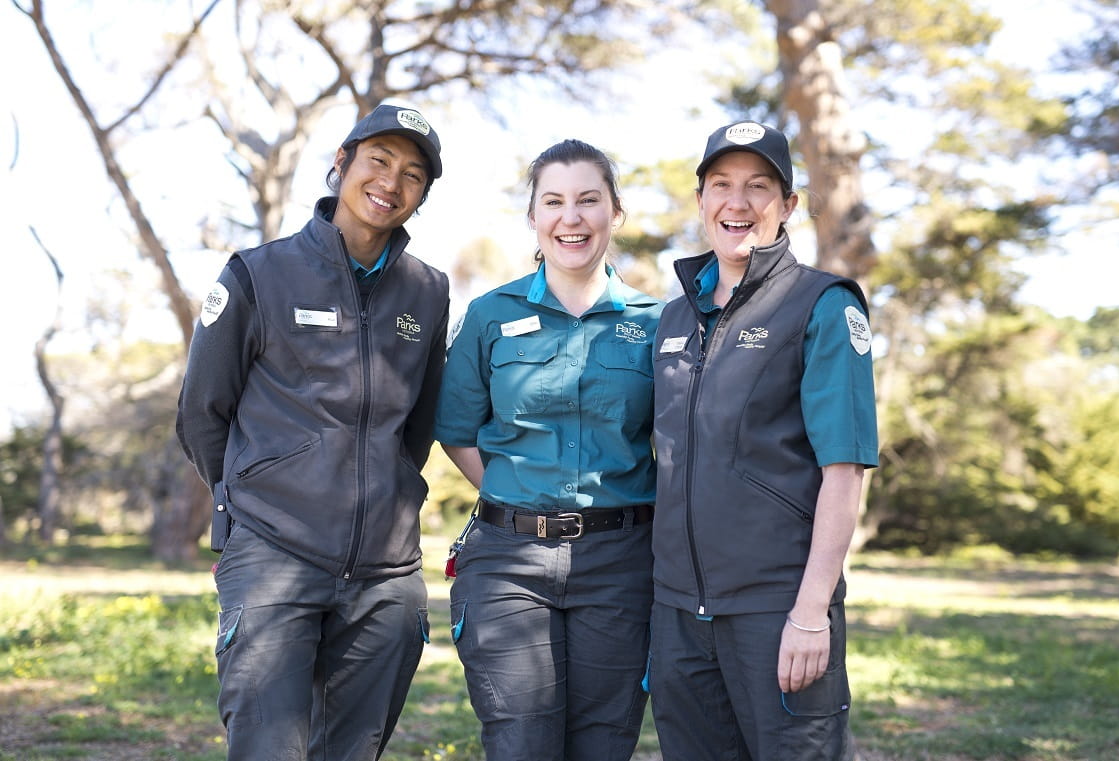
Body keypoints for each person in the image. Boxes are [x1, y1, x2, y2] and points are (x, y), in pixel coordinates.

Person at [176, 103, 449, 761]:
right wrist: (257, 493)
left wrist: (387, 491)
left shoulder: (429, 292)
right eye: (378, 160)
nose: (391, 181)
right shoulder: (256, 273)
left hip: (387, 576)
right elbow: (201, 412)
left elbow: (419, 425)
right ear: (342, 162)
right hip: (273, 553)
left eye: (413, 173)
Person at [647, 120, 879, 761]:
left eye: (758, 187)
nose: (737, 203)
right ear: (701, 201)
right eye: (721, 185)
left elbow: (845, 470)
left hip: (777, 611)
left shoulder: (823, 306)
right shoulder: (673, 318)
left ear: (788, 206)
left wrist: (810, 614)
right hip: (677, 616)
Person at [434, 139, 663, 761]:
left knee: (603, 745)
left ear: (615, 213)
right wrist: (519, 492)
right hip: (508, 561)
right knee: (520, 744)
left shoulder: (656, 323)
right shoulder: (489, 315)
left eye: (589, 201)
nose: (572, 218)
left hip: (621, 563)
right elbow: (456, 428)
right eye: (554, 201)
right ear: (533, 216)